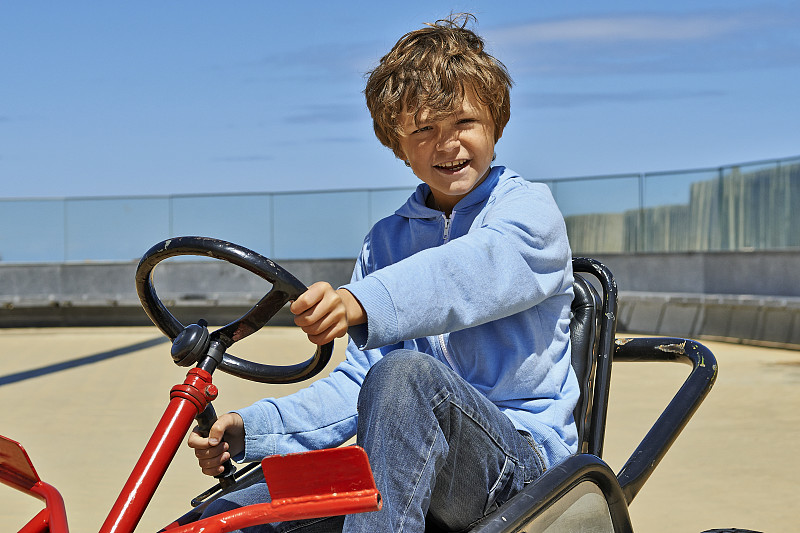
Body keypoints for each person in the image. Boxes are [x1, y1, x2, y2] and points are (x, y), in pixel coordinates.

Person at [188, 13, 578, 533]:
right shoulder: (386, 240)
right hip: (407, 456)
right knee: (228, 517)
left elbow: (466, 275)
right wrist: (252, 429)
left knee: (404, 375)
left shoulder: (529, 213)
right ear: (398, 144)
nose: (448, 144)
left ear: (496, 123)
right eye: (424, 130)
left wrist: (361, 302)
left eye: (463, 122)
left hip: (516, 466)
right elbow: (360, 386)